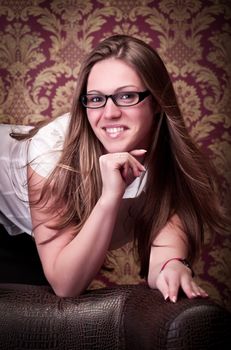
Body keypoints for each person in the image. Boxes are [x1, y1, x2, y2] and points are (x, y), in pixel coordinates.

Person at [0, 34, 228, 301]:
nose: (109, 113)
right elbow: (66, 285)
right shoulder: (52, 154)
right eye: (96, 99)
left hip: (38, 232)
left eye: (127, 95)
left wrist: (173, 266)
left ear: (156, 101)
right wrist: (110, 196)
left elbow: (163, 259)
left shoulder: (173, 171)